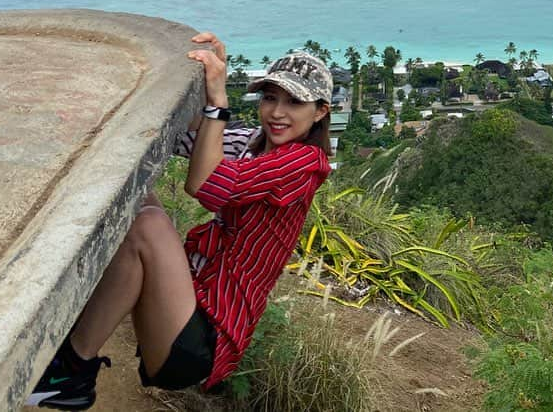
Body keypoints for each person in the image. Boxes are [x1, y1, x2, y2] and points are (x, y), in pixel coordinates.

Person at [26, 32, 332, 409]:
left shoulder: (302, 163)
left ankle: (69, 372)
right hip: (186, 300)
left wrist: (219, 104)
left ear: (320, 111)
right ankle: (78, 317)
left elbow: (205, 187)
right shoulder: (251, 144)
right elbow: (179, 138)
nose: (278, 113)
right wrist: (200, 87)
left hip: (206, 338)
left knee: (148, 225)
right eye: (270, 97)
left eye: (295, 102)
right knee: (136, 192)